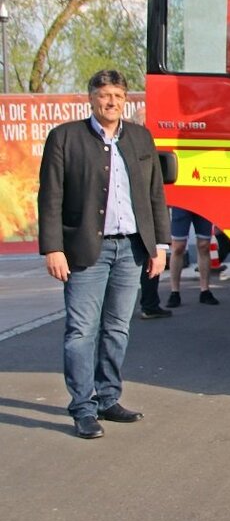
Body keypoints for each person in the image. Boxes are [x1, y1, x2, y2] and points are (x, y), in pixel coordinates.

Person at [38, 69, 170, 439]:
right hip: (84, 251)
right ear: (91, 98)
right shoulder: (65, 138)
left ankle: (108, 398)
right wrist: (53, 248)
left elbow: (156, 195)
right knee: (81, 330)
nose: (111, 102)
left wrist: (159, 246)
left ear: (126, 100)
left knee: (117, 328)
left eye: (118, 95)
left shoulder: (141, 138)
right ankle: (82, 407)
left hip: (131, 249)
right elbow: (50, 197)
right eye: (104, 95)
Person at [166, 208, 222, 307]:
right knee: (178, 247)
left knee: (204, 246)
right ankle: (174, 292)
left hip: (203, 201)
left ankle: (205, 291)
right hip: (181, 202)